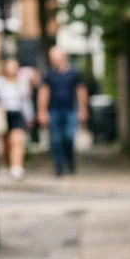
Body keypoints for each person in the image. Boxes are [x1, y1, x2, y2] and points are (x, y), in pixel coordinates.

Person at [38, 47, 88, 176]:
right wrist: (42, 111)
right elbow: (43, 93)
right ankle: (59, 167)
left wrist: (83, 109)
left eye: (55, 57)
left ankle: (70, 162)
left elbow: (80, 91)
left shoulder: (74, 74)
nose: (52, 60)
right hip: (54, 110)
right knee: (56, 140)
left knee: (69, 138)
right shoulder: (49, 75)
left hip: (70, 110)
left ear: (63, 57)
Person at [0, 57, 36, 179]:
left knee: (17, 141)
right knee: (4, 144)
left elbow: (26, 101)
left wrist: (30, 116)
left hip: (17, 113)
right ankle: (5, 165)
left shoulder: (22, 83)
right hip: (2, 114)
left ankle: (17, 167)